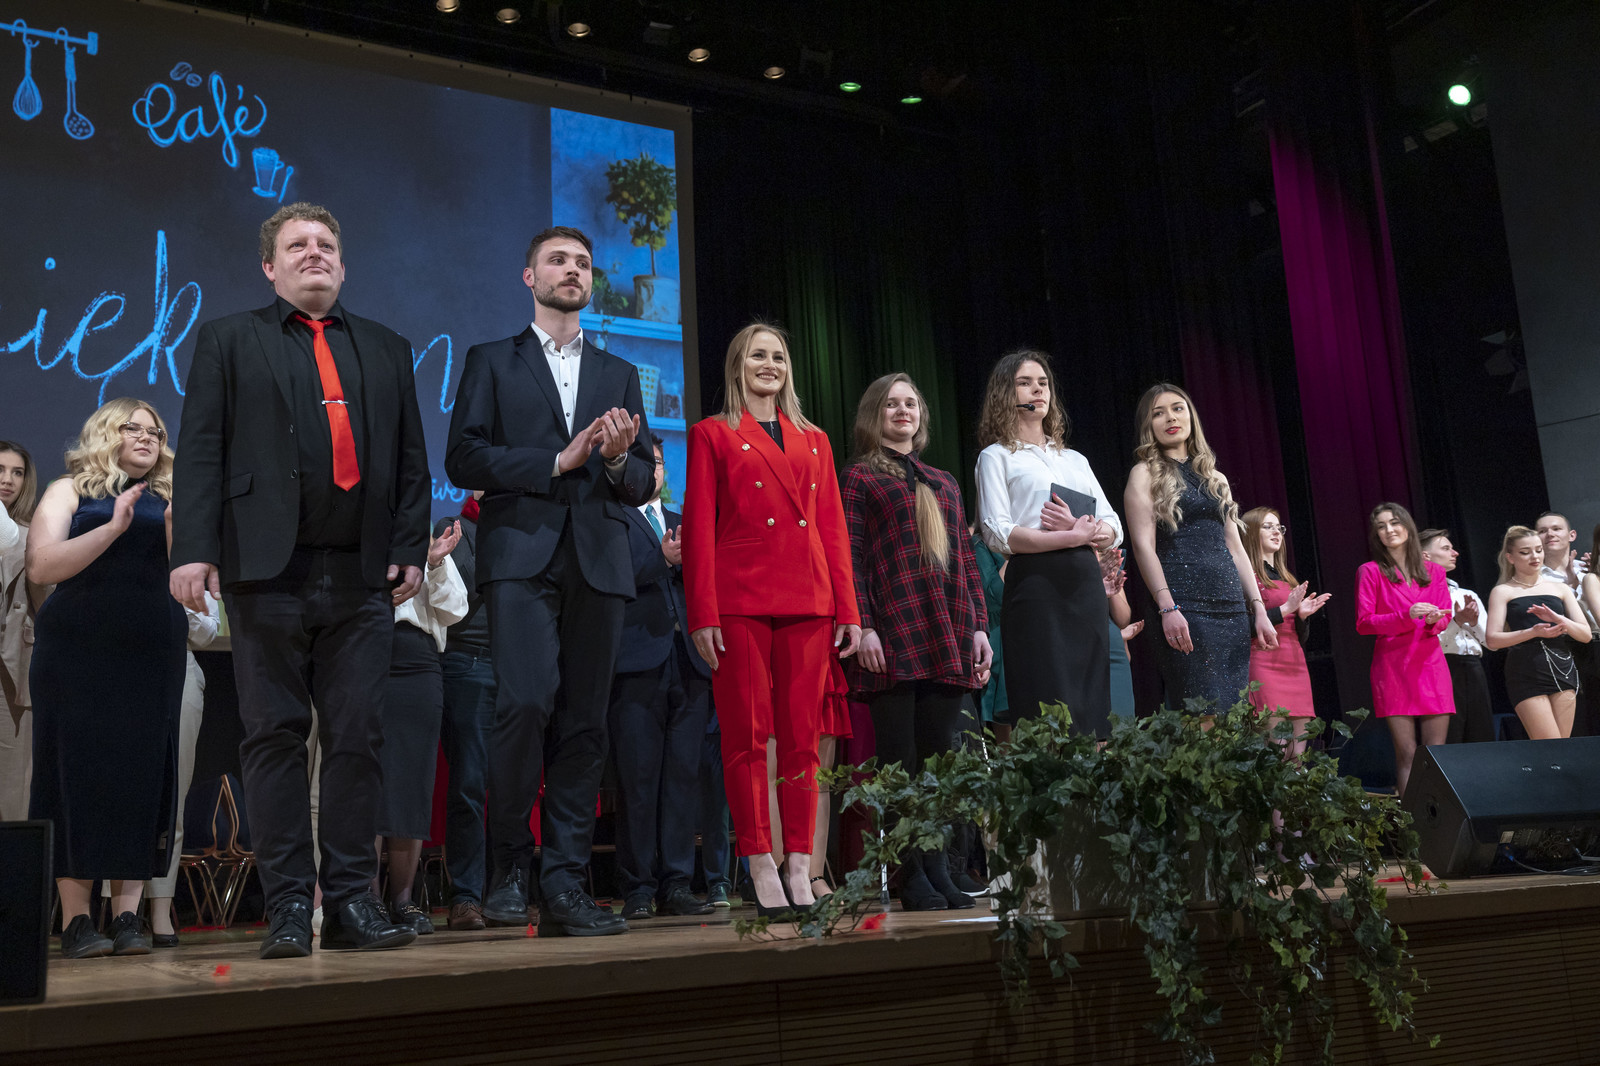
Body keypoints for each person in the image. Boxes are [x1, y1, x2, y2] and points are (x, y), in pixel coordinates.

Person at [171, 202, 430, 958]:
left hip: (360, 576)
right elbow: (202, 450)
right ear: (269, 266)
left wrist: (409, 546)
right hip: (265, 572)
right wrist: (193, 550)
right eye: (297, 245)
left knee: (358, 739)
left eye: (325, 245)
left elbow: (411, 460)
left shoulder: (387, 347)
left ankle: (350, 902)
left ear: (342, 264)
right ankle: (288, 903)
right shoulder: (227, 339)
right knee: (273, 738)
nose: (313, 253)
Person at [445, 225, 655, 937]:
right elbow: (463, 458)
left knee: (585, 722)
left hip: (599, 560)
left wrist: (620, 461)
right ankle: (510, 862)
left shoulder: (619, 372)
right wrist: (555, 463)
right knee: (525, 704)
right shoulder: (491, 360)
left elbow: (644, 480)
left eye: (583, 263)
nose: (573, 271)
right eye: (558, 260)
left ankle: (565, 882)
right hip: (520, 557)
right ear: (528, 277)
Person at [682, 322, 861, 918]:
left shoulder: (815, 439)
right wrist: (702, 611)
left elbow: (832, 527)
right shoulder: (712, 434)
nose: (770, 365)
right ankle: (759, 860)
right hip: (740, 600)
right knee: (747, 738)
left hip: (809, 598)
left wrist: (848, 608)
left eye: (778, 356)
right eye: (758, 355)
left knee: (804, 742)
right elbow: (699, 527)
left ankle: (800, 865)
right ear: (737, 364)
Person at [28, 399, 186, 958]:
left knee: (142, 775)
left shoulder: (172, 499)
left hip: (152, 650)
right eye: (132, 428)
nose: (147, 437)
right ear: (104, 432)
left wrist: (178, 533)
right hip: (76, 651)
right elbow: (42, 567)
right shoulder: (69, 491)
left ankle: (126, 917)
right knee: (74, 774)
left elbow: (186, 579)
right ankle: (76, 922)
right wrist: (114, 528)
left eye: (155, 432)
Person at [841, 373, 992, 911]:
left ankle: (939, 868)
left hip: (946, 630)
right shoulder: (860, 477)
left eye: (910, 403)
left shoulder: (943, 481)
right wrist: (864, 625)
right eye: (891, 404)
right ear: (874, 414)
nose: (902, 411)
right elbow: (850, 556)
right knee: (900, 762)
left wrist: (979, 626)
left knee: (938, 762)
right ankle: (910, 875)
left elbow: (966, 561)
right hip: (894, 631)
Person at [974, 350, 1121, 735]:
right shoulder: (996, 456)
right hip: (1036, 584)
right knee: (1046, 700)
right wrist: (1070, 536)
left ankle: (1092, 773)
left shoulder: (1075, 459)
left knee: (1090, 705)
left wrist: (1080, 529)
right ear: (1005, 394)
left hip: (1084, 584)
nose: (1037, 390)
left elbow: (1113, 525)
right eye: (1025, 383)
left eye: (1043, 383)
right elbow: (998, 531)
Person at [608, 435, 716, 921]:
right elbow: (610, 577)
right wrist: (662, 560)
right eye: (642, 463)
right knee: (638, 778)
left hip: (689, 660)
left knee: (682, 777)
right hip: (635, 662)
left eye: (656, 463)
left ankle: (677, 882)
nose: (651, 471)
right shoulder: (612, 518)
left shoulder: (682, 520)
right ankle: (637, 887)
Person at [1125, 384, 1277, 713]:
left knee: (1232, 715)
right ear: (1148, 425)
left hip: (1230, 606)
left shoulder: (1215, 478)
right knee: (1201, 712)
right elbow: (1142, 546)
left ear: (1190, 416)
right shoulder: (1144, 474)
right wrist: (1167, 607)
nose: (1170, 418)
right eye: (1158, 413)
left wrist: (1259, 609)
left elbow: (1235, 548)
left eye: (1177, 408)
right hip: (1183, 604)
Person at [376, 521, 466, 935]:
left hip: (419, 664)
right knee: (367, 782)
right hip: (370, 653)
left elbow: (454, 609)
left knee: (412, 783)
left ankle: (403, 900)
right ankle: (363, 899)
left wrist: (434, 564)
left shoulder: (427, 543)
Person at [1355, 503, 1454, 798]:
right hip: (1393, 667)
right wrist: (1406, 615)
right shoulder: (1370, 571)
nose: (1389, 530)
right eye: (1381, 526)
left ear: (1407, 526)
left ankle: (1438, 819)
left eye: (1394, 523)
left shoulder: (1435, 572)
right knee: (1407, 753)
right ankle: (1413, 824)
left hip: (1430, 664)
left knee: (1436, 754)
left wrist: (1435, 620)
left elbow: (1445, 615)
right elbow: (1364, 623)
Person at [435, 492, 498, 929]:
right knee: (469, 784)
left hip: (516, 664)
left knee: (513, 787)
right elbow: (458, 600)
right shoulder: (453, 526)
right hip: (468, 661)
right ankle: (466, 896)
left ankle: (509, 890)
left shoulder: (524, 528)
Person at [1485, 525, 1592, 739]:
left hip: (1562, 667)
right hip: (1525, 670)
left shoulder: (1560, 589)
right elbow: (1492, 640)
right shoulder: (1503, 591)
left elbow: (1585, 635)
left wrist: (1559, 619)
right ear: (1510, 557)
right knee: (1549, 744)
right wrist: (1532, 632)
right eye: (1525, 552)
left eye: (1538, 550)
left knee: (1561, 746)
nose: (1534, 556)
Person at [1241, 507, 1329, 753]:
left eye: (1279, 527)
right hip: (1263, 662)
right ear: (1250, 533)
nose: (1276, 532)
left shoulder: (1287, 578)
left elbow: (1300, 636)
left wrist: (1301, 616)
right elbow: (1239, 628)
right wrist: (1286, 608)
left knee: (1297, 755)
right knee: (1276, 752)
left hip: (1294, 663)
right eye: (1267, 527)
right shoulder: (1245, 577)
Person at [1419, 528, 1495, 745]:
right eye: (1446, 548)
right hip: (1441, 666)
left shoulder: (1465, 594)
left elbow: (1490, 642)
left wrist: (1473, 621)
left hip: (1473, 666)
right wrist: (1457, 622)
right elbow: (1429, 640)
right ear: (1425, 556)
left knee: (1482, 734)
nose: (1455, 553)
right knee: (1450, 735)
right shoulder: (1419, 595)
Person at [0, 440, 39, 822]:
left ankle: (13, 858)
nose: (8, 480)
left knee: (13, 786)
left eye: (17, 472)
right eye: (0, 470)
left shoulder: (35, 535)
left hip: (12, 665)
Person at [1098, 548, 1145, 719]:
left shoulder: (1108, 555)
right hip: (1082, 644)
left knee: (1120, 723)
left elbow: (1123, 618)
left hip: (1113, 648)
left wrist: (1110, 578)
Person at [1534, 512, 1586, 590]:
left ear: (1571, 535)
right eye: (1542, 531)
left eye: (1556, 529)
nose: (1550, 534)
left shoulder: (1586, 569)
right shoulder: (1534, 577)